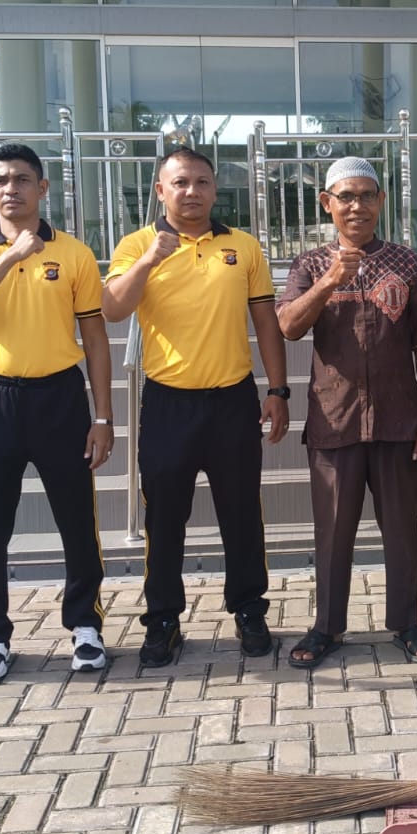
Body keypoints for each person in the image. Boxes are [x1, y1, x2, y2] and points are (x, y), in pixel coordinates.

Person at [101, 148, 289, 666]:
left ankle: (249, 609)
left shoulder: (242, 246)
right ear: (160, 190)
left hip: (232, 400)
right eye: (180, 182)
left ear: (214, 189)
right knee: (164, 518)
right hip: (168, 403)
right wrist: (150, 259)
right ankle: (163, 619)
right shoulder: (137, 244)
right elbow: (113, 308)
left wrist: (278, 390)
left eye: (202, 182)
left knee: (241, 513)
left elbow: (266, 321)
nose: (192, 191)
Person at [0, 143, 114, 683]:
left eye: (21, 179)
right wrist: (11, 256)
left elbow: (95, 338)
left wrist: (103, 417)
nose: (11, 188)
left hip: (60, 398)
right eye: (1, 180)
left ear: (42, 187)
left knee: (76, 519)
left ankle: (85, 625)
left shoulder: (75, 254)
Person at [276, 156, 417, 670]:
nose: (356, 206)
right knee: (332, 532)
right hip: (335, 422)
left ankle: (407, 623)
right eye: (345, 197)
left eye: (367, 195)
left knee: (402, 531)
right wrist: (330, 280)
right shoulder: (310, 264)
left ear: (381, 201)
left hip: (398, 423)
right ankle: (327, 626)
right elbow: (288, 326)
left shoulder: (406, 263)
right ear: (327, 203)